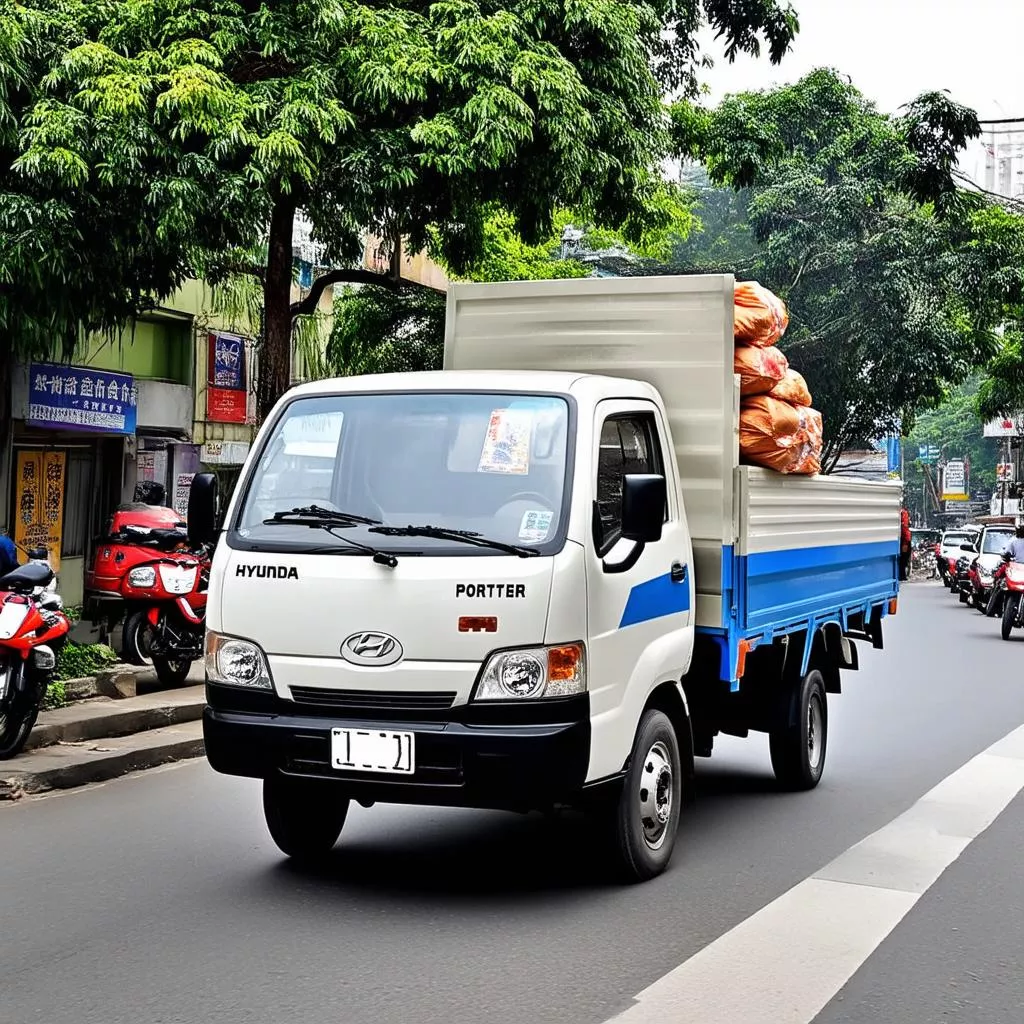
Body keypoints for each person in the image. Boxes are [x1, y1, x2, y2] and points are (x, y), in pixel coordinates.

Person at [986, 522, 1024, 616]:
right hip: (1016, 570)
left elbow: (1005, 553)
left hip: (1016, 570)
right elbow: (1005, 553)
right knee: (1001, 585)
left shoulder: (1014, 541)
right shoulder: (1014, 541)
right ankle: (995, 607)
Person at [899, 508, 912, 582]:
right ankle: (902, 575)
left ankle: (902, 575)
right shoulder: (904, 513)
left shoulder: (903, 513)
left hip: (905, 542)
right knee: (903, 560)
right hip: (905, 542)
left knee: (903, 560)